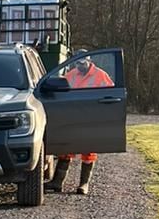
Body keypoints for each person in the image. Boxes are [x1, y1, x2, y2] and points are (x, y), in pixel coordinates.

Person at [46, 51, 114, 196]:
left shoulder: (101, 76)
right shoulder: (71, 75)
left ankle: (84, 184)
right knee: (65, 151)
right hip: (72, 119)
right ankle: (57, 182)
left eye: (83, 64)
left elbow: (111, 95)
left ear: (89, 61)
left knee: (88, 152)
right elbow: (61, 92)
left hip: (90, 120)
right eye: (78, 64)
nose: (80, 67)